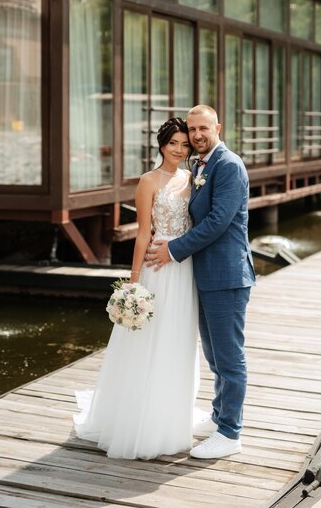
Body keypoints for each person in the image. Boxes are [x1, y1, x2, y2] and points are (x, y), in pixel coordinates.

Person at [74, 117, 198, 459]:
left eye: (185, 145)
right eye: (173, 143)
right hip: (157, 266)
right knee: (150, 341)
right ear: (161, 144)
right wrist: (133, 281)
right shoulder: (149, 181)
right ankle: (140, 419)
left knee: (178, 340)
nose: (179, 150)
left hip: (185, 266)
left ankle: (171, 417)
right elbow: (144, 232)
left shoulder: (194, 178)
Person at [148, 105, 256, 459]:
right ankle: (218, 416)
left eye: (202, 128)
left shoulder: (228, 166)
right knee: (214, 355)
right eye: (192, 129)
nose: (195, 135)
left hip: (226, 275)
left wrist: (173, 250)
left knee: (229, 356)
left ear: (217, 128)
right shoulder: (199, 165)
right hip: (205, 274)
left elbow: (218, 222)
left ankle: (230, 432)